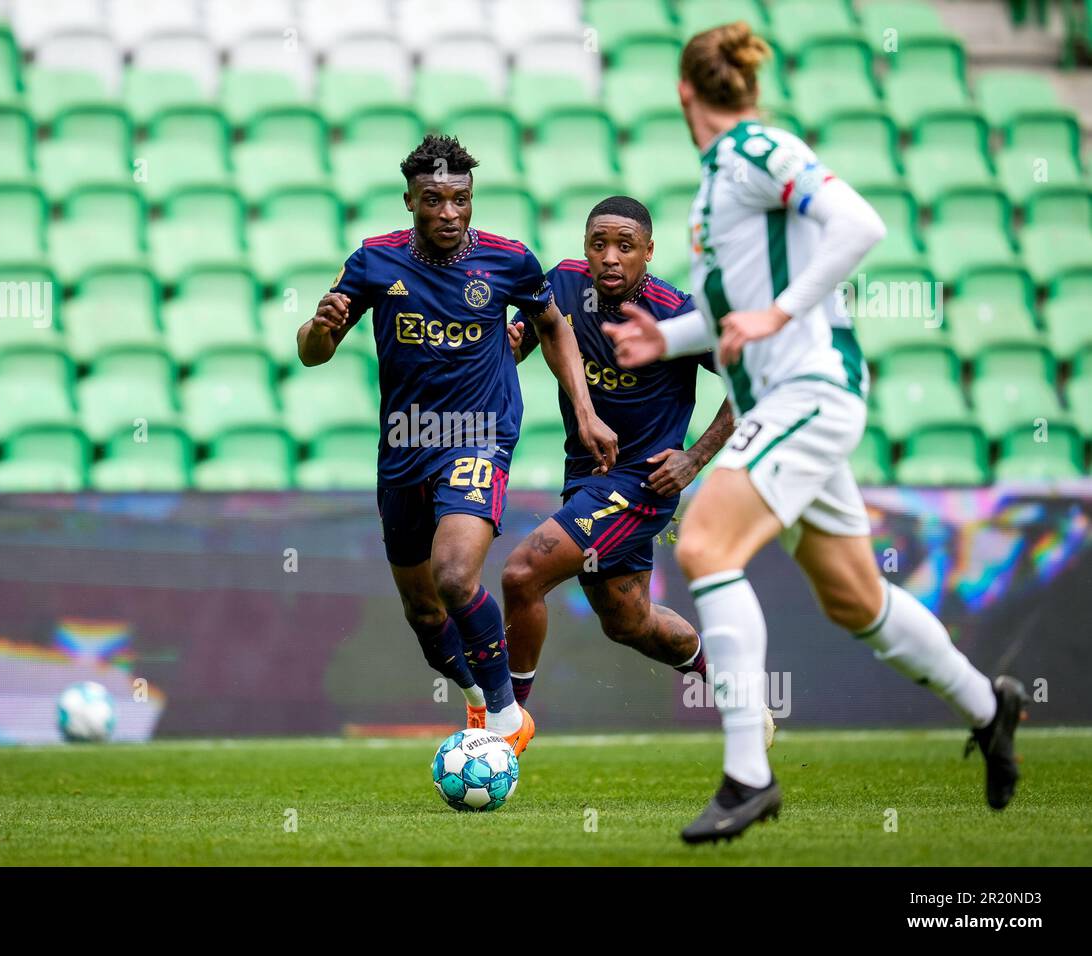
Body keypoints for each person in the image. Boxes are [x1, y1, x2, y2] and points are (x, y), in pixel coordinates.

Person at [604, 22, 1027, 843]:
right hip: (783, 400)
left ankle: (747, 776)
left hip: (809, 389)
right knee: (856, 600)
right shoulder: (721, 177)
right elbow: (738, 308)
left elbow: (859, 224)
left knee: (704, 548)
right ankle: (989, 705)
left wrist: (782, 311)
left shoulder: (757, 149)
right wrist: (670, 338)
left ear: (686, 92)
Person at [296, 135, 618, 754]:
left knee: (453, 573)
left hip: (479, 433)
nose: (449, 212)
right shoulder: (373, 261)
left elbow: (552, 324)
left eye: (461, 199)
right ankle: (476, 701)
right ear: (410, 201)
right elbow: (312, 354)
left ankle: (505, 719)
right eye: (434, 200)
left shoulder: (510, 261)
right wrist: (320, 326)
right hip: (405, 443)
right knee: (424, 614)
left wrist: (584, 411)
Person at [499, 197, 765, 741]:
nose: (611, 258)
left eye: (625, 246)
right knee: (629, 622)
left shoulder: (679, 315)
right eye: (599, 245)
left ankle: (507, 726)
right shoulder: (565, 286)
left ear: (648, 251)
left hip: (642, 484)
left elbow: (753, 380)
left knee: (522, 574)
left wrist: (695, 457)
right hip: (584, 476)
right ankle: (737, 696)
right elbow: (523, 345)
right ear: (585, 250)